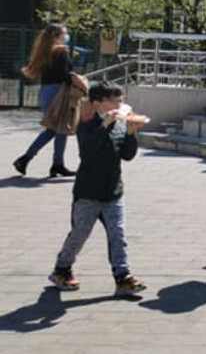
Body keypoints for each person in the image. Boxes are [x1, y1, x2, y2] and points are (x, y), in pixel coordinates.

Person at [47, 82, 148, 296]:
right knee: (80, 233)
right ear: (98, 104)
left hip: (113, 191)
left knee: (118, 234)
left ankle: (123, 276)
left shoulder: (120, 124)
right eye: (114, 102)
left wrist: (131, 133)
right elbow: (88, 151)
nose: (120, 106)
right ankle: (61, 269)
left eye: (121, 101)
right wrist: (105, 124)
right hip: (88, 193)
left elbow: (127, 155)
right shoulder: (86, 125)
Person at [13, 23, 84, 178]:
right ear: (57, 36)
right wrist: (79, 83)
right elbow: (64, 74)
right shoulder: (61, 51)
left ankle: (54, 164)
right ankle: (30, 159)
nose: (66, 36)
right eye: (64, 33)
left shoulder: (45, 50)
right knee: (58, 128)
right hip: (59, 92)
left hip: (46, 91)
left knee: (56, 129)